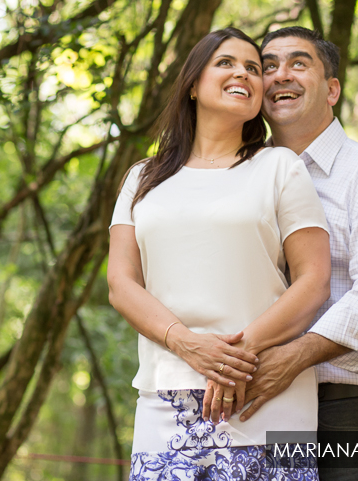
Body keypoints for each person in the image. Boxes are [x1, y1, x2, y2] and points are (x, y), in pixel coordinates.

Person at [108, 27, 332, 480]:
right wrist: (187, 344)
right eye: (226, 63)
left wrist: (234, 360)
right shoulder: (142, 178)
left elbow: (315, 280)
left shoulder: (278, 167)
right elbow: (121, 283)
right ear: (193, 84)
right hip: (164, 396)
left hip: (265, 395)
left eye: (253, 68)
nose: (244, 74)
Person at [233, 26, 358, 481]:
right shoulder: (239, 177)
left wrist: (293, 358)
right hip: (259, 401)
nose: (280, 76)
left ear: (331, 89)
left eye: (298, 63)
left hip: (344, 407)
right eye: (268, 66)